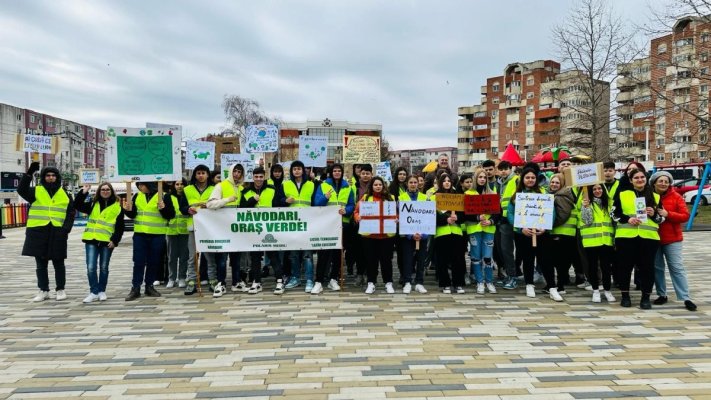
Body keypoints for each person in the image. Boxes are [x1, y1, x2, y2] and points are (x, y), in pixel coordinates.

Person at [19, 162, 75, 302]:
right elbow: (21, 190)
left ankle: (60, 289)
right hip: (38, 232)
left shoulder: (66, 194)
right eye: (48, 175)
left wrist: (66, 229)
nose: (50, 177)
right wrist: (29, 173)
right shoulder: (35, 191)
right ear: (43, 177)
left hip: (58, 232)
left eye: (53, 175)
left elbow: (70, 213)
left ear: (57, 177)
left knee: (59, 263)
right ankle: (43, 290)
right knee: (40, 264)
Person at [612, 169, 662, 309]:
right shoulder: (623, 194)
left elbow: (661, 219)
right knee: (625, 267)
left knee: (647, 268)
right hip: (626, 237)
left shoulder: (655, 196)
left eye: (642, 177)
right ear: (631, 180)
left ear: (646, 179)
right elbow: (614, 213)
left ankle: (645, 297)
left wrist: (653, 214)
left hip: (648, 238)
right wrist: (628, 219)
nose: (640, 180)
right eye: (636, 178)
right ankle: (625, 296)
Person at [650, 171, 697, 311]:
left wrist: (667, 214)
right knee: (657, 268)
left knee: (676, 268)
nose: (663, 183)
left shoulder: (676, 196)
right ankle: (661, 294)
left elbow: (685, 216)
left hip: (672, 239)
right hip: (654, 237)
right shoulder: (648, 196)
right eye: (660, 181)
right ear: (654, 182)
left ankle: (685, 297)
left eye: (666, 181)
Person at [122, 181, 175, 301]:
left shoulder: (164, 196)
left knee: (154, 261)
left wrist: (163, 208)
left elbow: (171, 215)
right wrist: (127, 210)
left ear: (150, 185)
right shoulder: (136, 196)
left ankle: (149, 286)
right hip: (140, 234)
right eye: (138, 185)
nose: (140, 187)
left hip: (157, 234)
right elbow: (133, 214)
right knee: (138, 261)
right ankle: (135, 288)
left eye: (142, 185)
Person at [74, 182, 125, 303]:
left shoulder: (117, 207)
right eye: (103, 189)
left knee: (103, 267)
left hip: (107, 242)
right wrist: (84, 191)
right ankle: (94, 291)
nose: (105, 191)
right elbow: (76, 204)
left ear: (111, 191)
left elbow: (120, 227)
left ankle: (102, 290)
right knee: (91, 267)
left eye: (107, 189)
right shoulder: (93, 204)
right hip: (91, 239)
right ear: (99, 191)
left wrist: (115, 241)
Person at [239, 166, 285, 294]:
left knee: (273, 255)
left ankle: (279, 281)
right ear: (252, 177)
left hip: (269, 228)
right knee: (255, 256)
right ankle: (256, 282)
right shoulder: (246, 192)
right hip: (254, 229)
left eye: (261, 177)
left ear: (264, 177)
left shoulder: (271, 189)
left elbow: (278, 206)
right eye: (256, 177)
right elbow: (241, 209)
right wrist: (252, 201)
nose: (258, 179)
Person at [507, 167, 550, 298]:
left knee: (544, 259)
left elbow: (550, 211)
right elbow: (510, 213)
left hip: (540, 233)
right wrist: (521, 228)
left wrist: (545, 227)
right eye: (527, 177)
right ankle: (529, 284)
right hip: (523, 234)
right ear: (523, 179)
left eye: (532, 177)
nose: (530, 180)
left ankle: (551, 285)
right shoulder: (516, 194)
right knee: (527, 259)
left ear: (536, 179)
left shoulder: (543, 192)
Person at [312, 163, 354, 294]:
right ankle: (318, 281)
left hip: (342, 225)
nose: (337, 173)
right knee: (324, 253)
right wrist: (325, 198)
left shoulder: (348, 187)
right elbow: (316, 204)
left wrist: (346, 210)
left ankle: (333, 279)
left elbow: (352, 204)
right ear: (331, 172)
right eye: (335, 171)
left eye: (339, 171)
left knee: (338, 254)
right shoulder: (323, 186)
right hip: (327, 225)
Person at [206, 163, 246, 297]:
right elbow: (210, 204)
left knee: (236, 257)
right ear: (230, 172)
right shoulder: (220, 186)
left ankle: (236, 282)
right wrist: (227, 200)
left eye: (239, 172)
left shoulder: (241, 188)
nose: (237, 174)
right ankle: (221, 283)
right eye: (235, 171)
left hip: (237, 229)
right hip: (222, 229)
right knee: (222, 258)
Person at [354, 176, 396, 294]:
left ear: (383, 186)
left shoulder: (390, 198)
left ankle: (388, 283)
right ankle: (371, 283)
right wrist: (358, 218)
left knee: (386, 261)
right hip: (370, 236)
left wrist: (396, 219)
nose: (378, 187)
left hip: (386, 235)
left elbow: (396, 213)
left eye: (380, 184)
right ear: (371, 186)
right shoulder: (366, 198)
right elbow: (356, 211)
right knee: (371, 261)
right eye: (375, 185)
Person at [180, 165, 215, 295]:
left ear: (207, 175)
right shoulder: (187, 189)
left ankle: (212, 279)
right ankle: (192, 281)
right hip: (193, 227)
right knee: (192, 256)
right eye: (198, 173)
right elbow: (182, 207)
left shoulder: (214, 189)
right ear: (195, 175)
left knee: (209, 255)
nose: (201, 175)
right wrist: (188, 209)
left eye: (203, 173)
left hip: (208, 228)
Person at [579, 183, 616, 303]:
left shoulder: (609, 203)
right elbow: (587, 221)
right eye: (594, 189)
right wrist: (586, 207)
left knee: (606, 267)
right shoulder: (585, 203)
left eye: (599, 188)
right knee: (593, 267)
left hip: (606, 241)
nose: (597, 191)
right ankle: (595, 291)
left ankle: (607, 290)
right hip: (592, 241)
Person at [283, 160, 316, 291]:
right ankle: (295, 277)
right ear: (291, 171)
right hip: (292, 224)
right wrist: (285, 201)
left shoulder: (311, 185)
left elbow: (316, 202)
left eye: (299, 168)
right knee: (294, 254)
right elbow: (277, 201)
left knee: (307, 255)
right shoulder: (286, 185)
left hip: (307, 223)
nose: (297, 171)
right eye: (294, 169)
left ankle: (309, 279)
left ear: (303, 170)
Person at [464, 168, 498, 295]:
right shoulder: (468, 194)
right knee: (476, 256)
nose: (483, 179)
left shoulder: (492, 194)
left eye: (485, 177)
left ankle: (489, 281)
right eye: (480, 177)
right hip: (474, 229)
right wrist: (477, 217)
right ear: (475, 178)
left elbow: (497, 212)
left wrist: (491, 221)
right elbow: (465, 214)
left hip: (488, 229)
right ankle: (479, 281)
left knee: (488, 256)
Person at [547, 173, 578, 302]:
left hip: (561, 233)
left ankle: (559, 286)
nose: (554, 184)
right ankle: (559, 285)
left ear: (562, 184)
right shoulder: (555, 195)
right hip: (560, 233)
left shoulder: (561, 197)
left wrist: (547, 224)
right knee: (559, 261)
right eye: (552, 182)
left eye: (557, 183)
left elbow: (562, 215)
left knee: (559, 261)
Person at [434, 173, 467, 294]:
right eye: (444, 181)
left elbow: (464, 215)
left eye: (449, 180)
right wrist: (445, 220)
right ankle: (445, 284)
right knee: (442, 260)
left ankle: (458, 283)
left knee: (458, 259)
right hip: (442, 233)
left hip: (456, 232)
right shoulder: (434, 197)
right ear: (440, 183)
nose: (447, 182)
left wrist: (457, 218)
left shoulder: (458, 197)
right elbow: (431, 216)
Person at [398, 175, 430, 294]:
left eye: (415, 182)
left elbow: (429, 218)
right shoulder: (401, 198)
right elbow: (400, 218)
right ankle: (407, 282)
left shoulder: (425, 198)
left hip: (422, 235)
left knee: (421, 260)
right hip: (407, 236)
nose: (413, 184)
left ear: (418, 184)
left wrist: (424, 234)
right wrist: (410, 235)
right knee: (407, 259)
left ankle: (419, 282)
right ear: (407, 184)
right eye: (410, 182)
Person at [497, 161, 519, 290]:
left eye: (506, 169)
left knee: (511, 250)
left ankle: (514, 277)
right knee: (505, 250)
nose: (503, 171)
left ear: (511, 169)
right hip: (504, 220)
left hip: (516, 220)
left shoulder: (516, 180)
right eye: (501, 169)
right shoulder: (501, 183)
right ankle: (510, 275)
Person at [351, 164, 373, 286]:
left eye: (368, 173)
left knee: (369, 250)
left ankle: (368, 274)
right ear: (360, 174)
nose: (365, 175)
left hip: (373, 224)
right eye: (363, 173)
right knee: (358, 250)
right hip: (358, 223)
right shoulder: (354, 187)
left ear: (371, 174)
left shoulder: (376, 186)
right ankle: (359, 273)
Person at [166, 178, 189, 288]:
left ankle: (182, 277)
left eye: (182, 184)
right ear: (173, 186)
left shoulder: (188, 196)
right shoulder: (168, 197)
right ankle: (171, 278)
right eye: (177, 184)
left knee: (184, 256)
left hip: (185, 230)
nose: (179, 186)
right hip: (171, 230)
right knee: (172, 257)